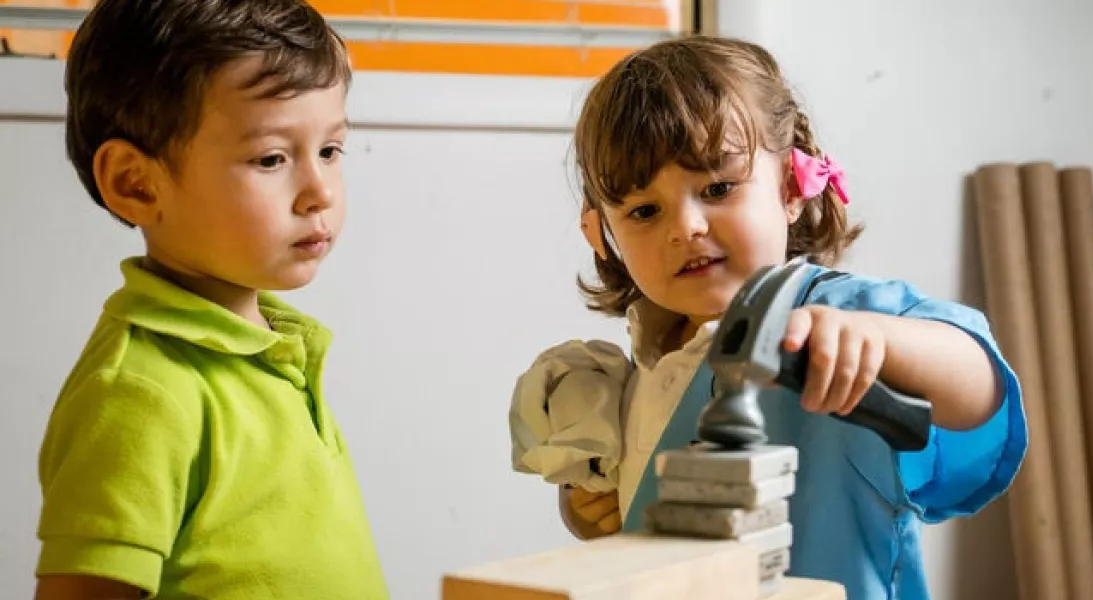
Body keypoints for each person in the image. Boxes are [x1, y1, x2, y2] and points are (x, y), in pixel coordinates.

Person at [513, 35, 1027, 600]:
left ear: (790, 187)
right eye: (643, 211)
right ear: (602, 233)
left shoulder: (836, 317)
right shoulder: (637, 370)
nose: (685, 227)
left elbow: (981, 392)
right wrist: (598, 511)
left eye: (717, 187)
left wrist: (878, 342)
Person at [33, 1, 388, 598]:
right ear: (135, 183)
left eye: (330, 150)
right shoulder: (141, 392)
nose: (319, 192)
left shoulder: (273, 352)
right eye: (272, 158)